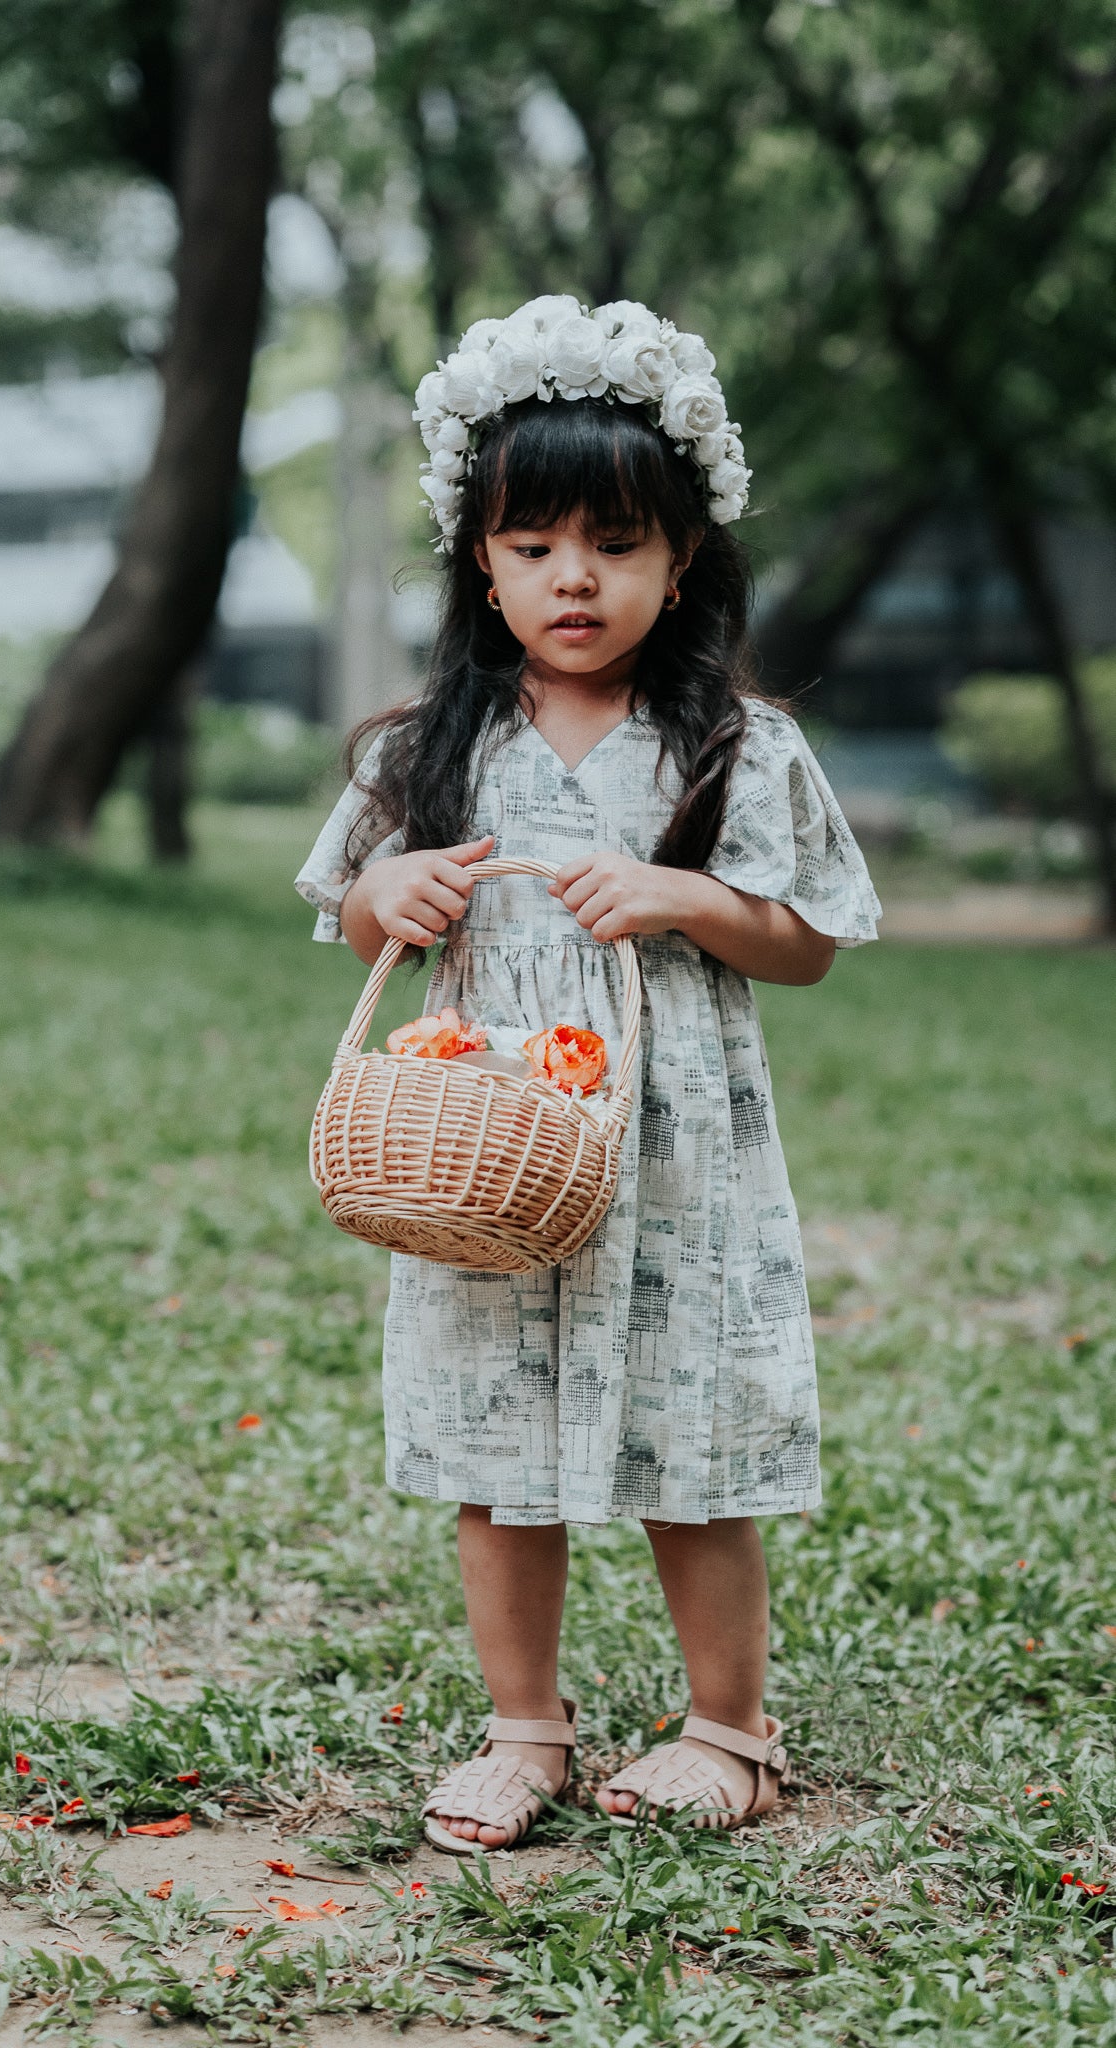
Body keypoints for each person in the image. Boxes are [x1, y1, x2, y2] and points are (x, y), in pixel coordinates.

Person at [295, 296, 881, 1854]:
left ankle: (728, 1730)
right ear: (477, 560)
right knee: (502, 1450)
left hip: (671, 1149)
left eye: (615, 543)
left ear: (679, 559)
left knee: (692, 1447)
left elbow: (808, 941)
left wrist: (685, 897)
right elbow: (351, 906)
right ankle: (522, 1728)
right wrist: (392, 898)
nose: (574, 576)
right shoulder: (426, 748)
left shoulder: (732, 747)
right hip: (492, 1139)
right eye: (535, 541)